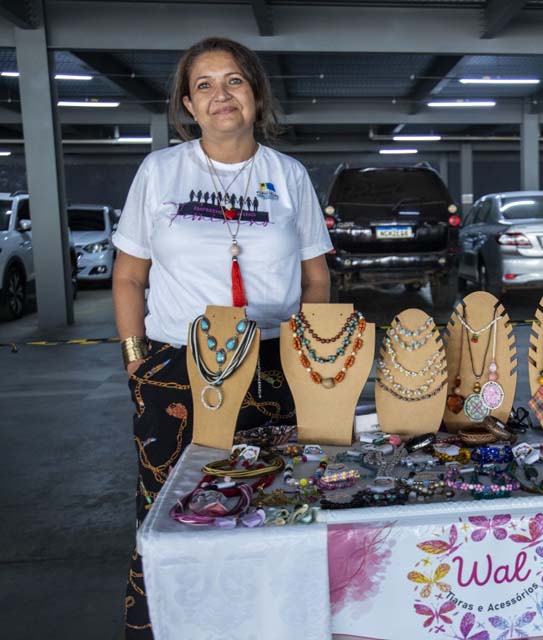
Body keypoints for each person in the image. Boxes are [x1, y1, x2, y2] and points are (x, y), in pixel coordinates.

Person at [111, 37, 332, 637]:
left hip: (269, 365)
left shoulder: (288, 176)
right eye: (204, 85)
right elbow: (129, 277)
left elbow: (316, 277)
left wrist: (305, 356)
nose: (221, 95)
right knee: (169, 508)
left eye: (233, 80)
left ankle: (268, 623)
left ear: (255, 93)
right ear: (188, 103)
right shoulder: (160, 171)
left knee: (272, 498)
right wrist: (138, 364)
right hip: (176, 365)